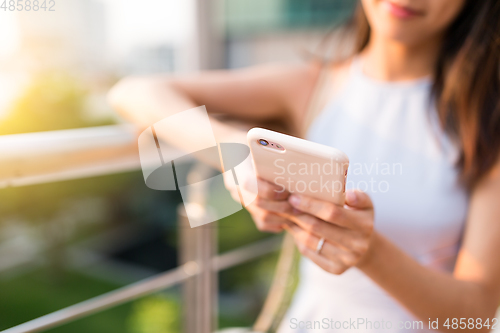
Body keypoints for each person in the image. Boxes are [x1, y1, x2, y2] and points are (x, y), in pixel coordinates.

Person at [108, 0, 500, 331]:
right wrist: (239, 154)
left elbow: (476, 316)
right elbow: (134, 93)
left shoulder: (487, 119)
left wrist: (369, 253)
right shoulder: (310, 87)